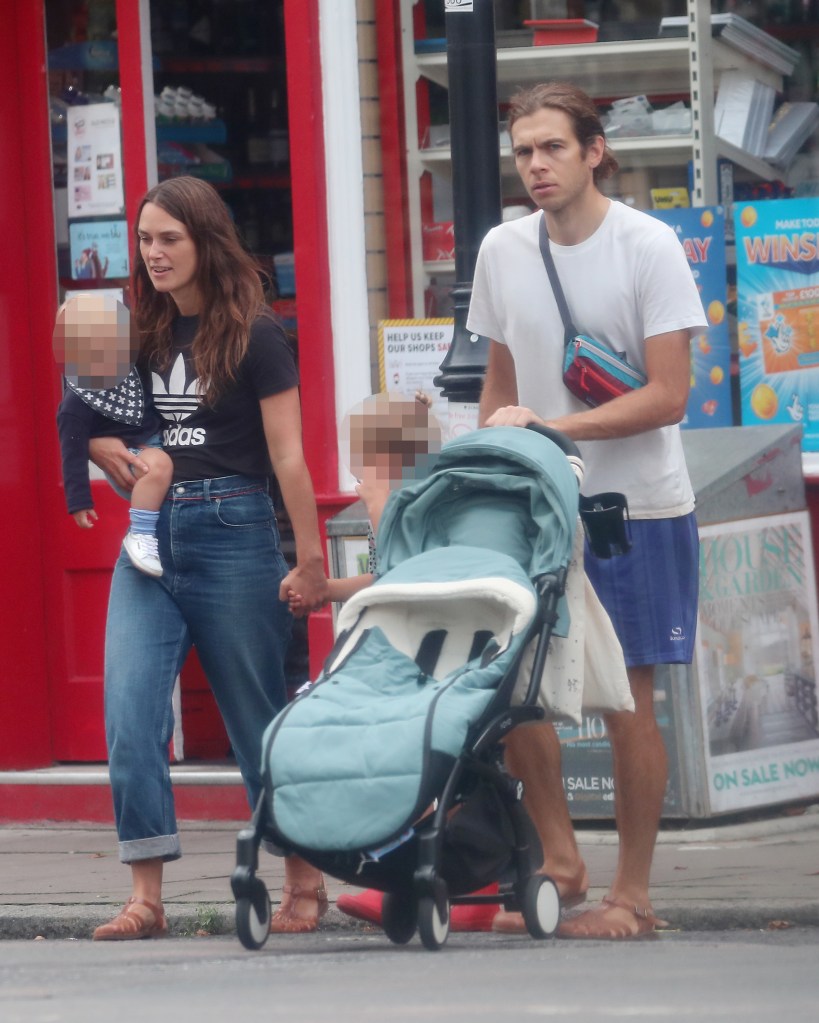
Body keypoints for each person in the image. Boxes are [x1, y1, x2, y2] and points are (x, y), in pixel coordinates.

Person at [467, 81, 706, 939]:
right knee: (517, 692)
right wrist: (493, 459)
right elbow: (500, 381)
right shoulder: (502, 248)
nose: (534, 165)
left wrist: (551, 426)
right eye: (522, 151)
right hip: (535, 505)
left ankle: (632, 897)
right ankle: (559, 860)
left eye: (551, 148)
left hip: (633, 506)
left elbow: (671, 394)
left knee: (626, 697)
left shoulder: (647, 244)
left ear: (594, 150)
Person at [87, 176, 329, 940]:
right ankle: (147, 896)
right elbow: (87, 427)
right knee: (128, 712)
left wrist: (311, 558)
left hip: (233, 525)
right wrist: (114, 456)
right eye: (145, 239)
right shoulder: (136, 330)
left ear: (205, 241)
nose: (153, 254)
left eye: (169, 239)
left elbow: (289, 457)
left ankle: (301, 876)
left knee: (256, 715)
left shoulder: (256, 332)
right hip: (148, 533)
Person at [54, 293, 173, 577]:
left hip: (154, 443)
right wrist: (79, 501)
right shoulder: (77, 401)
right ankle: (141, 535)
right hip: (130, 458)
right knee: (159, 465)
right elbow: (72, 453)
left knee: (165, 463)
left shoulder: (134, 373)